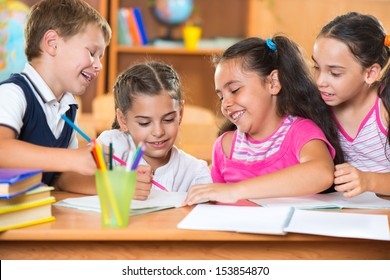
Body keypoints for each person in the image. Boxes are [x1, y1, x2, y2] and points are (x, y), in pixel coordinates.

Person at [184, 35, 345, 205]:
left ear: (273, 83)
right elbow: (211, 199)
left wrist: (236, 190)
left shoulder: (300, 132)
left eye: (235, 90)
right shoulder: (225, 146)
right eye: (221, 97)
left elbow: (321, 173)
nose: (226, 104)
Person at [0, 0, 111, 187]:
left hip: (43, 212)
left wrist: (115, 185)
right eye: (92, 53)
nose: (99, 65)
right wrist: (72, 158)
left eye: (100, 57)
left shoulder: (68, 107)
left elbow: (61, 179)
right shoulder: (12, 93)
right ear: (52, 44)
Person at [96, 61, 212, 200]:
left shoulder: (195, 172)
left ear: (180, 113)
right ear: (122, 119)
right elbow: (67, 180)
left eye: (168, 119)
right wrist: (116, 184)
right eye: (144, 123)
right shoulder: (112, 146)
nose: (158, 132)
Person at [312, 12, 390, 198]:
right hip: (348, 211)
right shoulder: (320, 105)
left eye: (335, 73)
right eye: (317, 68)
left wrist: (368, 181)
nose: (320, 81)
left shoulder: (384, 108)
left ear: (371, 73)